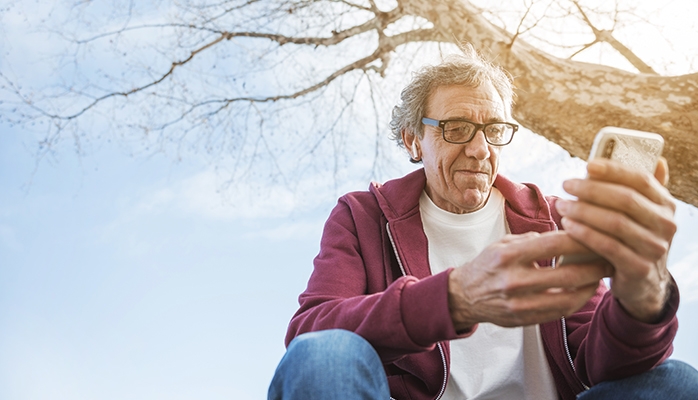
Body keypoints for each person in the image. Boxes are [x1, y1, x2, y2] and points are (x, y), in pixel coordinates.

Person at [267, 46, 698, 400]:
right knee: (324, 357)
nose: (478, 148)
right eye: (456, 128)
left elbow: (601, 364)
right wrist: (455, 298)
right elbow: (312, 332)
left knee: (676, 382)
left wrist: (644, 297)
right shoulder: (362, 216)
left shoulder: (553, 221)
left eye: (493, 130)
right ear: (414, 139)